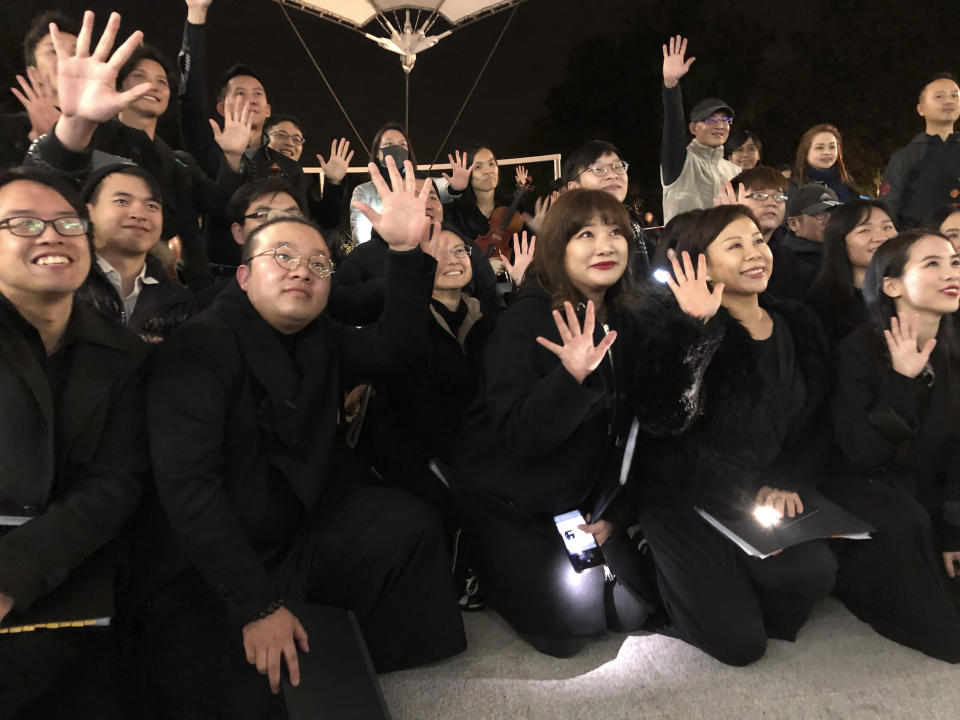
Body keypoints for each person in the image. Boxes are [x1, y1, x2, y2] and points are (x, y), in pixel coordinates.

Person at [134, 157, 466, 719]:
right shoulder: (202, 346)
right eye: (281, 257)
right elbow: (189, 490)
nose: (302, 270)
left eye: (317, 261)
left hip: (295, 533)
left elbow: (393, 351)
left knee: (405, 524)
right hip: (210, 567)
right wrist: (257, 605)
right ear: (243, 274)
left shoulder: (320, 335)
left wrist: (408, 255)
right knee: (252, 696)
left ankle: (351, 649)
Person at [450, 189, 720, 658]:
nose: (605, 245)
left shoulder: (628, 317)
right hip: (511, 497)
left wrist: (615, 514)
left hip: (583, 497)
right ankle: (473, 553)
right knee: (571, 628)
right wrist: (570, 378)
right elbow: (516, 437)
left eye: (615, 232)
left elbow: (648, 425)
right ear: (558, 247)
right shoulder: (527, 320)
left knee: (631, 610)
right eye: (586, 234)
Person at [639, 204, 837, 666]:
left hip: (756, 495)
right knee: (740, 645)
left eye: (758, 241)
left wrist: (788, 478)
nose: (755, 253)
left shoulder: (798, 323)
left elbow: (816, 424)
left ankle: (726, 581)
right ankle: (654, 569)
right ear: (696, 263)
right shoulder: (673, 328)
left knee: (814, 572)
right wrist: (693, 328)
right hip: (686, 498)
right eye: (735, 245)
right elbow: (663, 419)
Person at [0, 166, 148, 719]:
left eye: (67, 222)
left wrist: (13, 574)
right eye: (22, 223)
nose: (51, 235)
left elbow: (116, 481)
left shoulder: (125, 355)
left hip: (71, 567)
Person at [25, 13, 246, 287]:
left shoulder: (180, 161)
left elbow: (220, 204)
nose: (152, 85)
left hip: (185, 293)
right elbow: (52, 196)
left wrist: (234, 157)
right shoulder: (89, 138)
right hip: (102, 285)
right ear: (115, 85)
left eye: (162, 81)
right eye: (139, 76)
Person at [823, 229, 960, 663]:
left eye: (954, 261)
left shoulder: (954, 349)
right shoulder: (859, 351)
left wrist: (954, 528)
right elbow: (861, 452)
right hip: (870, 494)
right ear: (892, 285)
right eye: (932, 264)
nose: (950, 273)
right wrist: (902, 382)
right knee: (948, 637)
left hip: (930, 493)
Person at [178, 0, 348, 264]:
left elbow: (317, 220)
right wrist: (196, 15)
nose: (251, 99)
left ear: (268, 109)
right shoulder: (207, 149)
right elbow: (190, 93)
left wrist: (335, 185)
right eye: (240, 94)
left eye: (258, 94)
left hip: (279, 271)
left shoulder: (287, 167)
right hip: (222, 274)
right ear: (222, 107)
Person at [329, 176, 506, 325]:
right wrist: (394, 287)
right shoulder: (367, 253)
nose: (427, 205)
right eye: (416, 198)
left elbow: (492, 304)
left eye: (433, 197)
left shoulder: (465, 247)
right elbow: (335, 303)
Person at [75, 163, 196, 342]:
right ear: (88, 211)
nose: (140, 214)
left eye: (152, 206)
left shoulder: (179, 302)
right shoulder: (67, 285)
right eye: (122, 201)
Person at [659, 35, 740, 223]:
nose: (720, 125)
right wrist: (671, 86)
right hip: (683, 251)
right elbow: (673, 129)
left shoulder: (735, 172)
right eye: (711, 119)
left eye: (725, 119)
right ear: (693, 128)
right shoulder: (680, 162)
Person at [349, 122, 471, 244]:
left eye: (402, 144)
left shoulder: (420, 182)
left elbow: (439, 186)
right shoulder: (363, 191)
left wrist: (455, 188)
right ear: (377, 152)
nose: (397, 148)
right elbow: (360, 239)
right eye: (389, 144)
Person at [805, 200, 898, 348]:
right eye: (865, 230)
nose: (881, 237)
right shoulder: (821, 305)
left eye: (887, 227)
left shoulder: (913, 293)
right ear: (840, 242)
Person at [562, 139, 656, 278]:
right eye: (598, 169)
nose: (613, 175)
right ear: (574, 187)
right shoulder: (562, 238)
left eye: (618, 167)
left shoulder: (636, 230)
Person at [882, 73, 960, 229]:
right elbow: (888, 208)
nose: (949, 101)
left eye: (955, 95)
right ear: (921, 109)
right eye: (939, 97)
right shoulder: (905, 157)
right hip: (921, 244)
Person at [1, 12, 79, 169]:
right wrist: (37, 139)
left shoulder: (111, 131)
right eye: (53, 51)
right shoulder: (8, 130)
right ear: (33, 72)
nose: (66, 58)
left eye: (75, 52)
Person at [777, 184, 843, 299]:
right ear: (793, 223)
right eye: (820, 214)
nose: (830, 220)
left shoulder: (845, 254)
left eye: (835, 213)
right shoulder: (784, 266)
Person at [790, 124, 860, 203]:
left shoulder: (847, 182)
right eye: (820, 147)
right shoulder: (792, 186)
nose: (827, 152)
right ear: (805, 151)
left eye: (832, 147)